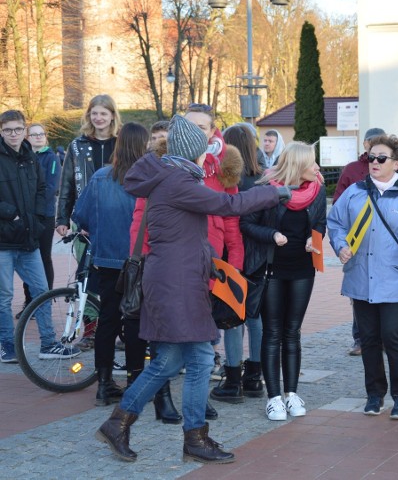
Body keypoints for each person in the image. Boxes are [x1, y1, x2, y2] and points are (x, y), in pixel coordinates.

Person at [95, 115, 290, 465]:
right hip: (176, 285)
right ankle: (194, 437)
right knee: (199, 358)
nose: (207, 157)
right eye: (203, 151)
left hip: (177, 281)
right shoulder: (177, 181)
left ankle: (118, 423)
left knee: (167, 362)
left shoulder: (169, 175)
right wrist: (272, 192)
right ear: (193, 152)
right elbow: (228, 205)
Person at [328, 134, 398, 420]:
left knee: (392, 336)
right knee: (368, 338)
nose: (374, 163)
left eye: (381, 158)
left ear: (397, 163)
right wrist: (340, 245)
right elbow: (335, 222)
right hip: (360, 279)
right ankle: (375, 394)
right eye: (370, 158)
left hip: (393, 278)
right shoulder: (355, 192)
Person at [241, 141, 326, 420]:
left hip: (303, 269)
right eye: (311, 163)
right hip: (272, 270)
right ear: (298, 166)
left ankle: (292, 393)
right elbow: (246, 223)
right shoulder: (266, 191)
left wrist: (315, 240)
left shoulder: (317, 189)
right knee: (272, 332)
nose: (316, 167)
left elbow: (320, 224)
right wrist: (272, 236)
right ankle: (274, 397)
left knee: (293, 332)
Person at [72, 123, 150, 406]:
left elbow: (80, 216)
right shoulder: (148, 179)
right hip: (138, 261)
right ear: (143, 147)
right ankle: (134, 381)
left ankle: (104, 384)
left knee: (107, 320)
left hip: (106, 261)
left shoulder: (101, 177)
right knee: (136, 321)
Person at [0, 110, 80, 364]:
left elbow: (42, 188)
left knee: (42, 291)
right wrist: (12, 215)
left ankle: (49, 343)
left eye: (17, 129)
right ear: (1, 131)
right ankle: (7, 346)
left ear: (24, 130)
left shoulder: (30, 157)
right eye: (8, 130)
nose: (13, 134)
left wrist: (35, 219)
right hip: (3, 239)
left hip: (29, 238)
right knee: (4, 297)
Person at [211, 124, 267, 402]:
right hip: (258, 258)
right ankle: (254, 376)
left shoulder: (225, 178)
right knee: (254, 318)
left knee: (232, 318)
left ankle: (233, 379)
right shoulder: (263, 179)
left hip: (229, 254)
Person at [333, 127, 387, 357]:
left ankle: (384, 338)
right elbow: (338, 204)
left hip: (384, 241)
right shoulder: (352, 170)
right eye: (371, 144)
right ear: (365, 145)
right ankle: (360, 338)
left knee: (384, 291)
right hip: (358, 242)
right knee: (359, 293)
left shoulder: (392, 167)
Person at [56, 94, 122, 237]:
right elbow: (67, 184)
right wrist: (62, 218)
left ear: (112, 116)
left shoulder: (123, 143)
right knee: (86, 259)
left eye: (103, 113)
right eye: (94, 113)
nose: (98, 118)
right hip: (86, 216)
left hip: (118, 213)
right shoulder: (77, 146)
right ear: (89, 115)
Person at [18, 124, 60, 318]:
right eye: (33, 134)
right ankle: (29, 302)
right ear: (27, 137)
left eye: (41, 134)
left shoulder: (51, 158)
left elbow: (51, 188)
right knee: (28, 257)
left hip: (44, 215)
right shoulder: (23, 157)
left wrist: (34, 207)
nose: (38, 137)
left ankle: (44, 301)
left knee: (44, 257)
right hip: (26, 215)